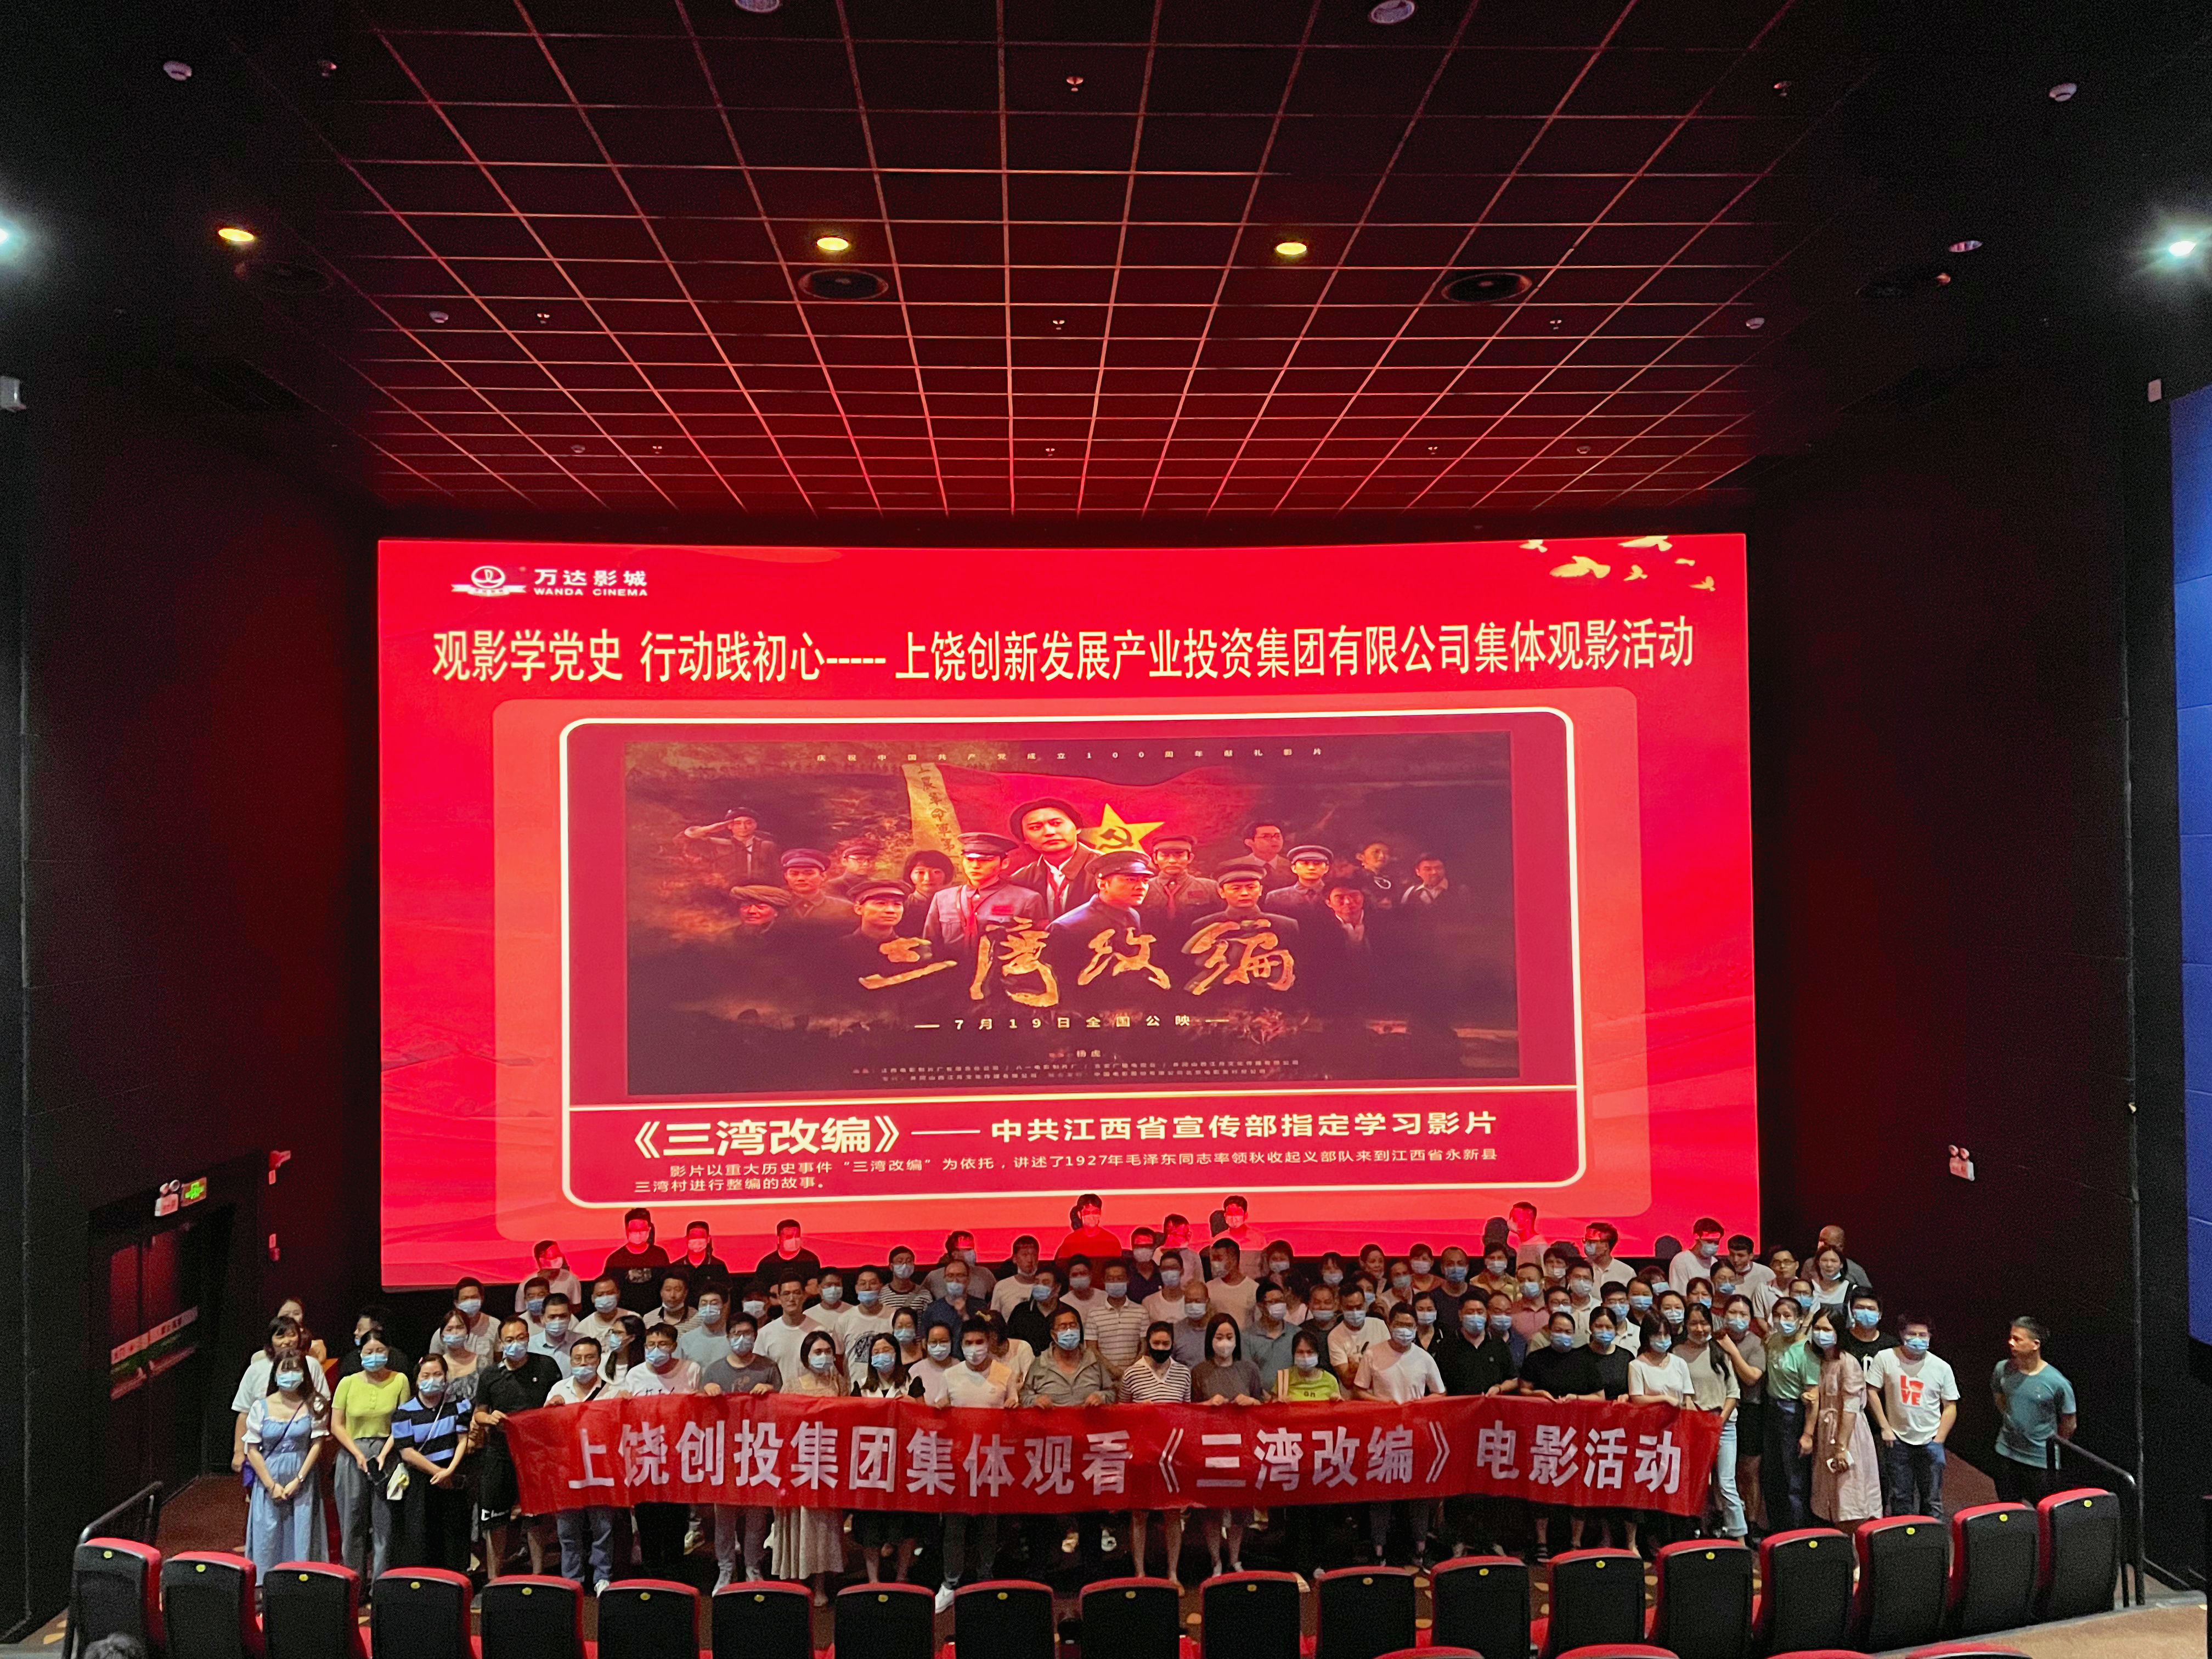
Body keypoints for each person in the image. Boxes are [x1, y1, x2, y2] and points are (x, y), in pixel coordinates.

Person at [1023, 1305, 1117, 1576]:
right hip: (1050, 1449)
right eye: (1063, 1327)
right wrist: (1035, 1400)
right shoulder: (1040, 1363)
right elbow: (1023, 1396)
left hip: (1087, 1448)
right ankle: (1040, 1571)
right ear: (1053, 1334)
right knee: (1044, 1512)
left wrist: (1102, 1397)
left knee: (1090, 1512)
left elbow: (1113, 1392)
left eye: (1073, 1325)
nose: (1069, 1331)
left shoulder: (1093, 1360)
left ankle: (1092, 1571)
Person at [933, 1319, 1019, 1610]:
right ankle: (950, 1583)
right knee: (954, 1527)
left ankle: (985, 1578)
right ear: (961, 1345)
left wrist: (1014, 1408)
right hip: (959, 1462)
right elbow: (940, 1411)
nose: (974, 1349)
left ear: (989, 1343)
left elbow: (1016, 1408)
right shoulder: (950, 1375)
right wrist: (940, 1408)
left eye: (979, 1342)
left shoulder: (1006, 1373)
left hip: (993, 1460)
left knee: (988, 1525)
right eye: (968, 1343)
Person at [1352, 1305, 1447, 1568]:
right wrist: (1383, 1405)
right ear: (1390, 1324)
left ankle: (1419, 1549)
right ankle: (1378, 1550)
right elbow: (1359, 1390)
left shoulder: (1424, 1358)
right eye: (1400, 1325)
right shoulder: (1373, 1354)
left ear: (1416, 1328)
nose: (1404, 1331)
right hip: (1382, 1436)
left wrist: (1419, 1406)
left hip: (1416, 1436)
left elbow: (1440, 1393)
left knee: (1418, 1495)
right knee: (1382, 1495)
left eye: (1409, 1326)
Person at [475, 1318, 561, 1578]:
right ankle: (494, 1578)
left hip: (536, 1452)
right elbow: (479, 1414)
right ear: (501, 1343)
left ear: (528, 1338)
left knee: (536, 1516)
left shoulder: (546, 1366)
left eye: (521, 1338)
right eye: (510, 1340)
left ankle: (537, 1576)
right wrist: (489, 1419)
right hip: (500, 1451)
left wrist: (556, 1404)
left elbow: (561, 1400)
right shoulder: (490, 1375)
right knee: (495, 1517)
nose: (516, 1344)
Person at [701, 1310, 781, 1585]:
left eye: (747, 1333)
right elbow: (700, 1414)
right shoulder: (714, 1370)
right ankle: (725, 1568)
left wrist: (771, 1392)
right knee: (724, 1516)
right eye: (736, 1334)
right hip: (725, 1453)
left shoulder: (768, 1367)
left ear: (756, 1336)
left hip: (759, 1450)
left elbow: (783, 1409)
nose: (742, 1338)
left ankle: (752, 1566)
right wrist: (707, 1392)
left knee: (757, 1515)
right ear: (728, 1337)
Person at [1521, 1310, 1604, 1555]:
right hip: (1544, 1434)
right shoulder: (1536, 1359)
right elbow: (1523, 1390)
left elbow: (1600, 1397)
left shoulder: (1585, 1361)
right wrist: (1537, 1395)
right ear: (1549, 1332)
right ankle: (1542, 1542)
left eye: (1568, 1332)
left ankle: (1576, 1542)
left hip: (1578, 1434)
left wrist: (1577, 1398)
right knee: (1542, 1486)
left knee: (1578, 1487)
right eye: (1558, 1331)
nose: (1563, 1335)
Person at [771, 1333, 846, 1604]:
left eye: (827, 1351)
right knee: (797, 1522)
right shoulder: (792, 1386)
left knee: (823, 1526)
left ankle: (820, 1583)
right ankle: (796, 1581)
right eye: (817, 1352)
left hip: (826, 1464)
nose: (823, 1356)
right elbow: (779, 1426)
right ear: (806, 1357)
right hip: (797, 1464)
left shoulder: (840, 1384)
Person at [328, 1332, 408, 1579]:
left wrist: (385, 1452)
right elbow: (336, 1425)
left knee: (385, 1523)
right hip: (352, 1455)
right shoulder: (348, 1383)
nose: (375, 1357)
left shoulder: (400, 1380)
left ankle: (381, 1581)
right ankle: (355, 1582)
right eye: (369, 1352)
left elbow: (402, 1423)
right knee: (352, 1522)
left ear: (389, 1352)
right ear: (360, 1355)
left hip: (386, 1455)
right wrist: (357, 1454)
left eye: (380, 1351)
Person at [243, 1353, 331, 1577]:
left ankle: (301, 1584)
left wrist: (299, 1480)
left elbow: (317, 1445)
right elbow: (252, 1450)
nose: (290, 1376)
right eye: (285, 1370)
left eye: (296, 1370)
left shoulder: (315, 1404)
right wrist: (271, 1486)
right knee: (268, 1537)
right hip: (269, 1480)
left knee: (302, 1535)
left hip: (302, 1480)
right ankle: (266, 1587)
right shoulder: (260, 1407)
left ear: (304, 1374)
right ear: (276, 1374)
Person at [1120, 1323, 1193, 1585]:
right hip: (1142, 1454)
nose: (1161, 1348)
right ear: (1148, 1343)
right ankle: (1140, 1574)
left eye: (1165, 1344)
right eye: (1156, 1344)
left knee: (1172, 1514)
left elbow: (1187, 1413)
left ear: (1172, 1345)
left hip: (1172, 1455)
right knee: (1139, 1515)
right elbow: (1121, 1412)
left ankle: (1173, 1574)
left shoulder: (1184, 1373)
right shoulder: (1132, 1373)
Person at [542, 1337, 616, 1592]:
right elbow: (545, 1431)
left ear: (599, 1360)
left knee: (603, 1527)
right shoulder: (558, 1389)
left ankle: (602, 1576)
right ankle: (572, 1579)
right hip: (567, 1470)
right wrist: (549, 1410)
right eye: (578, 1359)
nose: (583, 1363)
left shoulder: (613, 1391)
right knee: (567, 1530)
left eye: (589, 1358)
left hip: (600, 1469)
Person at [1867, 1317, 1959, 1519]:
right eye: (1912, 1334)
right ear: (1902, 1334)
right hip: (1897, 1440)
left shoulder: (1942, 1367)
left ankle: (1932, 1536)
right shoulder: (1885, 1358)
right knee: (1901, 1496)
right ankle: (1904, 1534)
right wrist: (1885, 1427)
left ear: (1930, 1337)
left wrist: (1939, 1440)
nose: (1917, 1339)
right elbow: (1871, 1390)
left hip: (1930, 1440)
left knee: (1932, 1499)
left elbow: (1950, 1406)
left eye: (1922, 1335)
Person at [1192, 1316, 1263, 1576]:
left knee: (1240, 1507)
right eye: (1219, 1337)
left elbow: (1262, 1407)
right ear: (1210, 1340)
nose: (1225, 1343)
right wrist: (1207, 1405)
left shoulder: (1249, 1369)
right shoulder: (1199, 1371)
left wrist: (1252, 1403)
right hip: (1211, 1448)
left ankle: (1235, 1558)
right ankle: (1215, 1560)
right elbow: (1189, 1411)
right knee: (1212, 1507)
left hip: (1242, 1448)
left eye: (1230, 1337)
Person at [851, 1333, 925, 1584]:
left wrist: (913, 1404)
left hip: (904, 1462)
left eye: (887, 1351)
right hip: (870, 1464)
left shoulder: (912, 1382)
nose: (882, 1356)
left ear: (897, 1354)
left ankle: (902, 1577)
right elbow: (851, 1421)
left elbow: (926, 1418)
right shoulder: (861, 1386)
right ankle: (873, 1580)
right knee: (870, 1524)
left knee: (905, 1523)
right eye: (877, 1352)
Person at [391, 1351, 472, 1572]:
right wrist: (438, 1472)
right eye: (426, 1376)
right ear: (417, 1380)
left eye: (437, 1375)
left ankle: (457, 1580)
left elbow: (463, 1440)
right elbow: (407, 1452)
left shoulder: (460, 1405)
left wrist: (450, 1471)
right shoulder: (403, 1413)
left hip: (452, 1478)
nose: (432, 1380)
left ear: (446, 1377)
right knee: (421, 1536)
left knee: (454, 1536)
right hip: (420, 1482)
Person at [1802, 1310, 1881, 1530]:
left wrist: (1842, 1447)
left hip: (1847, 1433)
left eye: (1827, 1329)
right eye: (1817, 1329)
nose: (1821, 1334)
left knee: (1849, 1492)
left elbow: (1850, 1408)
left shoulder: (1848, 1362)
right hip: (1825, 1431)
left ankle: (1857, 1547)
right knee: (1830, 1493)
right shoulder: (1818, 1361)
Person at [1277, 1327, 1343, 1584]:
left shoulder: (1329, 1380)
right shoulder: (1284, 1378)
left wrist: (1338, 1405)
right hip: (1294, 1457)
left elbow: (1341, 1419)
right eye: (1300, 1352)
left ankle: (1319, 1562)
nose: (1305, 1357)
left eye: (1310, 1352)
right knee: (1297, 1514)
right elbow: (1269, 1417)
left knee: (1321, 1513)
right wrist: (1277, 1405)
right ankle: (1298, 1565)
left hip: (1322, 1457)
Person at [1991, 1316, 2076, 1505]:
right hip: (2007, 1453)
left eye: (2017, 1339)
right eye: (2011, 1337)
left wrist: (2049, 1445)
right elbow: (2000, 1398)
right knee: (2009, 1508)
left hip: (2040, 1461)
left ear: (2035, 1345)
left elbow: (2069, 1423)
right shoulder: (2002, 1369)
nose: (2011, 1343)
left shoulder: (2057, 1382)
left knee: (2043, 1510)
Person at [230, 1316, 330, 1476]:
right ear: (270, 1340)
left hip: (303, 1453)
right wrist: (238, 1451)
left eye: (292, 1335)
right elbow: (244, 1413)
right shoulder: (255, 1370)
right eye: (280, 1336)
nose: (287, 1341)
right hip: (263, 1455)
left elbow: (322, 1406)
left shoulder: (312, 1365)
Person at [1679, 1305, 1747, 1539]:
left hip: (1723, 1426)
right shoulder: (1677, 1353)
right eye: (1694, 1323)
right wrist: (1699, 1422)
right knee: (1698, 1483)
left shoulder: (1720, 1351)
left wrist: (1718, 1422)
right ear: (1685, 1326)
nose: (1700, 1329)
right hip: (1693, 1427)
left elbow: (1734, 1392)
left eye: (1704, 1323)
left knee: (1727, 1484)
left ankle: (1740, 1538)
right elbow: (1682, 1394)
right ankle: (1701, 1534)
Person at [1714, 1294, 1768, 1533]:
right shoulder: (1714, 1339)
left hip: (1750, 1410)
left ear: (1751, 1318)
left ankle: (1752, 1522)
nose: (1738, 1318)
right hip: (1720, 1409)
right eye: (1733, 1313)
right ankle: (1722, 1519)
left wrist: (1732, 1351)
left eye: (1743, 1314)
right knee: (1723, 1472)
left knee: (1749, 1471)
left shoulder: (1756, 1343)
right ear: (1724, 1315)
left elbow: (1751, 1377)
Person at [1006, 797, 1101, 915]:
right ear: (1024, 838)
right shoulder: (1021, 879)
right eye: (1036, 827)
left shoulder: (1109, 869)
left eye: (1056, 823)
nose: (1049, 832)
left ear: (1078, 828)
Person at [679, 806, 780, 884]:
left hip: (759, 890)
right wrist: (707, 829)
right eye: (738, 823)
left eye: (749, 823)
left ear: (755, 825)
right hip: (725, 892)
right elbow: (681, 841)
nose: (743, 827)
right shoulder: (717, 844)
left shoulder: (767, 846)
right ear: (730, 826)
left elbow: (776, 873)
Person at [1086, 1259, 1149, 1379]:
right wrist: (1112, 1370)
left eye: (1120, 1279)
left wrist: (1131, 1371)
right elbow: (1092, 1348)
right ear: (1104, 1281)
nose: (1115, 1283)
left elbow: (1144, 1346)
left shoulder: (1141, 1312)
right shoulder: (1094, 1314)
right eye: (1110, 1279)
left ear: (1128, 1280)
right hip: (1103, 1377)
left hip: (1134, 1375)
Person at [757, 1273, 825, 1384]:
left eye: (797, 1293)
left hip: (810, 1393)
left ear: (804, 1296)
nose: (792, 1298)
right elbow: (759, 1371)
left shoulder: (819, 1331)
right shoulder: (765, 1333)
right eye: (786, 1294)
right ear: (779, 1298)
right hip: (777, 1393)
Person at [602, 1208, 672, 1314]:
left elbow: (668, 1284)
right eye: (634, 1230)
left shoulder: (660, 1255)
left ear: (649, 1229)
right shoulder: (615, 1259)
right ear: (627, 1230)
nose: (638, 1233)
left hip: (656, 1314)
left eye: (642, 1229)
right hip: (624, 1315)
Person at [753, 1216, 823, 1290]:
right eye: (789, 1237)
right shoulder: (767, 1263)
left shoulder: (811, 1260)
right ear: (779, 1239)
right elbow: (759, 1289)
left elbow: (815, 1287)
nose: (794, 1240)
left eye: (797, 1236)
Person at [515, 1239, 584, 1314]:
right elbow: (520, 1311)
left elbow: (577, 1307)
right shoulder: (525, 1285)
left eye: (556, 1256)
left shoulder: (570, 1279)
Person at [673, 1221, 732, 1300]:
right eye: (694, 1237)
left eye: (701, 1237)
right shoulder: (676, 1267)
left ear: (708, 1239)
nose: (697, 1241)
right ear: (687, 1239)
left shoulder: (718, 1266)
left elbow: (727, 1295)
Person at [1204, 1239, 1257, 1327]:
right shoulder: (1208, 1288)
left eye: (1219, 1258)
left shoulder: (1253, 1289)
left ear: (1233, 1258)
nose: (1215, 1263)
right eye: (1213, 1258)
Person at [1055, 1193, 1121, 1263]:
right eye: (1087, 1213)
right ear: (1080, 1215)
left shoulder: (1111, 1240)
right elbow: (1062, 1265)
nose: (1091, 1217)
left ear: (1100, 1213)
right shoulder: (1070, 1241)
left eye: (1095, 1212)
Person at [992, 1235, 1048, 1316]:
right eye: (1025, 1255)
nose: (1030, 1260)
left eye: (1034, 1255)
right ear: (1015, 1259)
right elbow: (994, 1318)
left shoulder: (1047, 1286)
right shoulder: (1002, 1287)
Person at [679, 1285, 732, 1369]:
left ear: (724, 1306)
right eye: (704, 1304)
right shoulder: (686, 1340)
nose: (708, 1308)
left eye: (714, 1304)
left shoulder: (734, 1339)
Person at [1669, 1217, 1727, 1293]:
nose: (1713, 1245)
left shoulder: (1715, 1263)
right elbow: (1680, 1294)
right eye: (1709, 1242)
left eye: (1716, 1242)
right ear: (1697, 1238)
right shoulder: (1681, 1261)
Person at [644, 1272, 698, 1338]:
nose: (672, 1295)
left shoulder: (698, 1318)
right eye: (668, 1290)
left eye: (678, 1290)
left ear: (686, 1293)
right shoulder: (648, 1319)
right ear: (661, 1292)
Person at [1805, 1244, 1853, 1316]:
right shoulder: (1809, 1287)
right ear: (1818, 1263)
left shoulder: (1851, 1290)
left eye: (1834, 1261)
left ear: (1841, 1264)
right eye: (1824, 1260)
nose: (1829, 1265)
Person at [1506, 1201, 1550, 1267]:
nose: (1511, 1221)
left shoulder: (1539, 1247)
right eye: (1510, 1217)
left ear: (1527, 1221)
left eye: (1515, 1218)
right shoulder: (1524, 1244)